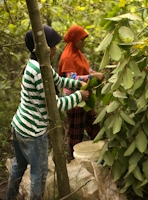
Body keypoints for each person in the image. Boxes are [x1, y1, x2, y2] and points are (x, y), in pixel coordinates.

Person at [6, 25, 90, 200]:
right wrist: (79, 96)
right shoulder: (38, 72)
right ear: (41, 47)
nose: (55, 48)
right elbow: (54, 105)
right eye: (52, 45)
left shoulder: (39, 64)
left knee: (18, 166)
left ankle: (9, 197)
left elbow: (57, 80)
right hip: (33, 132)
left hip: (20, 126)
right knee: (39, 174)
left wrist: (77, 84)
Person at [58, 25, 104, 159]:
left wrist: (94, 73)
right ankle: (73, 162)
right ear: (74, 40)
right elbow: (71, 78)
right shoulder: (67, 56)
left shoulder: (78, 53)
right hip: (74, 100)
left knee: (95, 126)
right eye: (81, 40)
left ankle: (98, 156)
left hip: (85, 97)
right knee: (76, 133)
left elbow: (84, 70)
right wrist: (91, 77)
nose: (83, 43)